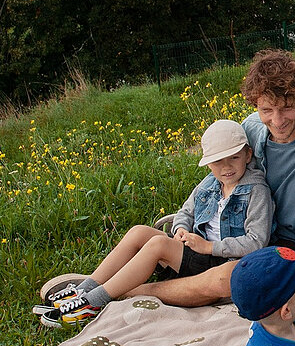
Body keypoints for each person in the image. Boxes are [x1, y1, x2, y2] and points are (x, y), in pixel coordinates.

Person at [74, 49, 295, 309]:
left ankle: (126, 291)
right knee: (142, 234)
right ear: (256, 106)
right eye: (267, 110)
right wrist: (184, 223)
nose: (277, 120)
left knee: (230, 278)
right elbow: (219, 176)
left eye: (286, 107)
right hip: (240, 235)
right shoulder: (250, 128)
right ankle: (91, 286)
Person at [36, 120, 271, 327]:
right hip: (198, 251)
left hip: (221, 261)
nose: (226, 167)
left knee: (159, 244)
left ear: (248, 155)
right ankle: (85, 288)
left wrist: (208, 247)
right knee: (139, 232)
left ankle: (93, 303)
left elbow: (257, 242)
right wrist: (180, 229)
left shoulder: (256, 191)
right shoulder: (209, 183)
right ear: (208, 164)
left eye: (234, 158)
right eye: (217, 161)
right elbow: (185, 213)